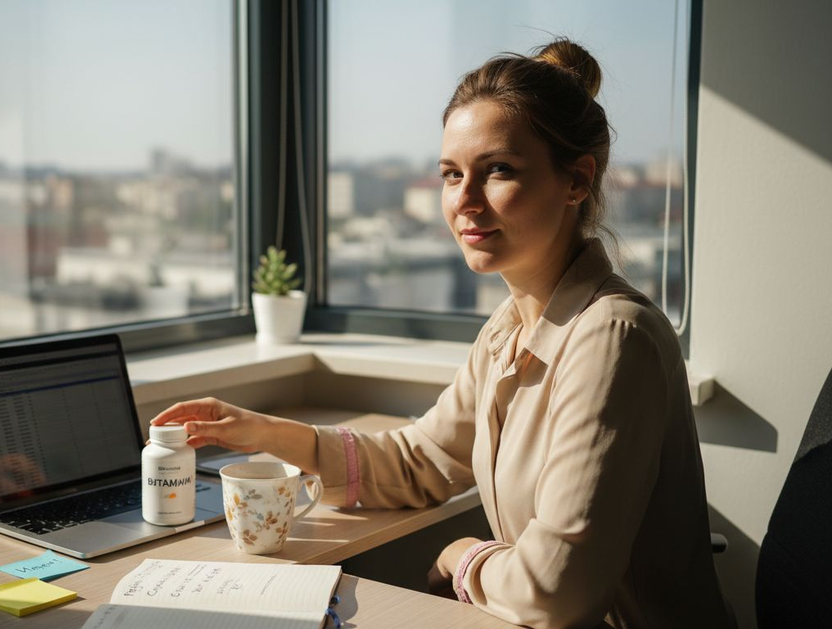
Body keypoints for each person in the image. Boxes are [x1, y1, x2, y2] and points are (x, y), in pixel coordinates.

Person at [152, 39, 735, 629]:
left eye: (498, 170)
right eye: (451, 175)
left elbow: (557, 589)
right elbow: (419, 460)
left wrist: (463, 557)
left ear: (577, 181)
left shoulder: (613, 336)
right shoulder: (509, 330)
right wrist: (261, 431)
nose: (464, 201)